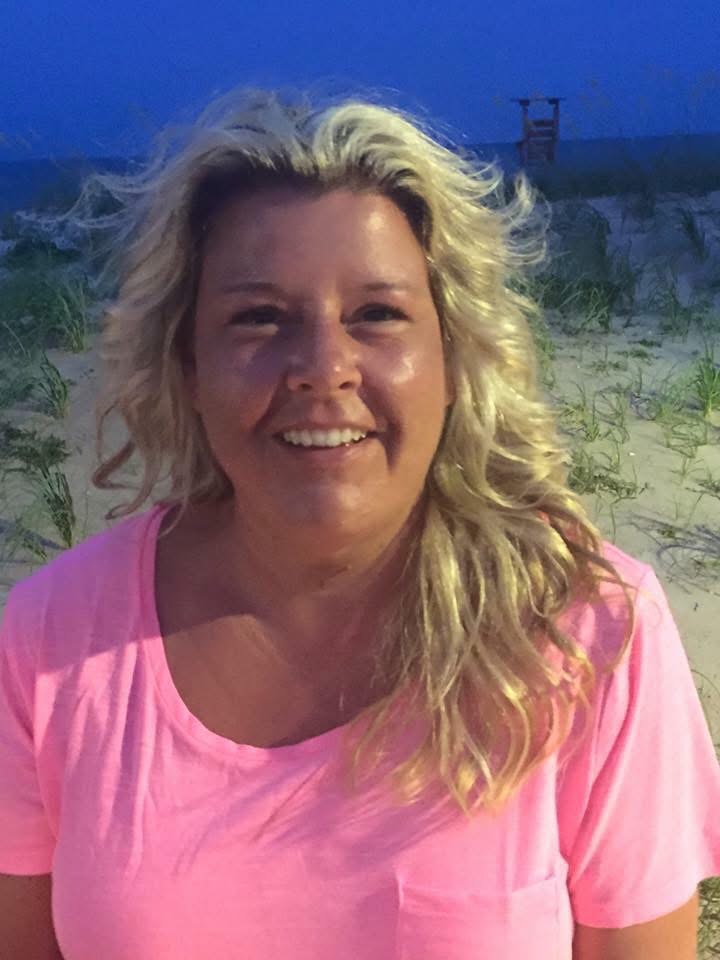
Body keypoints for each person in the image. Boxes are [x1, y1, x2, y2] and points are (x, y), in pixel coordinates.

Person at [1, 85, 718, 960]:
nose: (322, 367)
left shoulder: (589, 635)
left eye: (377, 314)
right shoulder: (50, 640)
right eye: (259, 317)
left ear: (453, 356)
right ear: (188, 365)